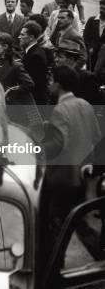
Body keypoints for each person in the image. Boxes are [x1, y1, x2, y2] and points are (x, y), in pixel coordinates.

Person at [42, 66, 102, 238]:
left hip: (63, 178)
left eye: (50, 80)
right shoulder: (85, 105)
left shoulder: (60, 110)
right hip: (82, 176)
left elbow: (60, 144)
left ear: (58, 85)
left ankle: (55, 260)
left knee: (57, 224)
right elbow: (96, 137)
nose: (48, 84)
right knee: (77, 221)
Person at [19, 21, 50, 105]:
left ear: (31, 37)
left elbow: (34, 82)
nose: (19, 37)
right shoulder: (32, 51)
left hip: (35, 101)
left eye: (22, 35)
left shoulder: (36, 56)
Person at [83, 0, 105, 73]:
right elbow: (85, 37)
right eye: (100, 8)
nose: (101, 10)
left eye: (104, 9)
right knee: (89, 72)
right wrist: (89, 48)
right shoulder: (92, 20)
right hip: (91, 53)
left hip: (103, 56)